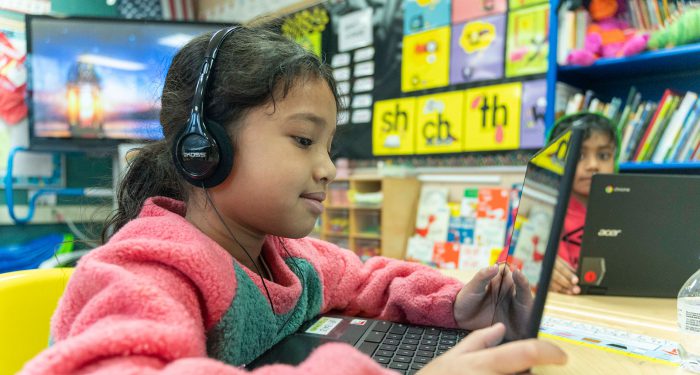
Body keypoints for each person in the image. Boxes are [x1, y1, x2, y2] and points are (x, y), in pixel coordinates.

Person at [20, 25, 566, 374]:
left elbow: (367, 276)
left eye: (328, 146)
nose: (326, 168)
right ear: (204, 148)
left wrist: (456, 305)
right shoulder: (148, 269)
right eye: (304, 141)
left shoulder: (289, 257)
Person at [547, 112, 619, 295]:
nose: (593, 165)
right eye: (579, 155)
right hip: (561, 310)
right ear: (556, 161)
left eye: (603, 155)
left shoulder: (626, 212)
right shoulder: (543, 207)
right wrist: (534, 266)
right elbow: (508, 263)